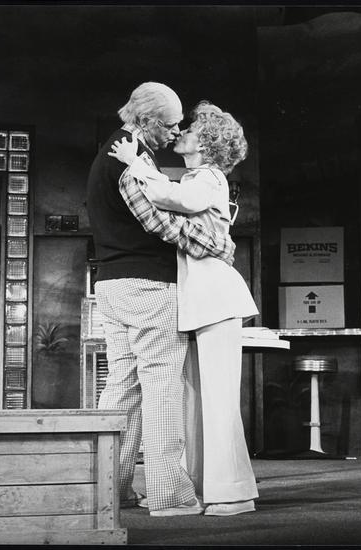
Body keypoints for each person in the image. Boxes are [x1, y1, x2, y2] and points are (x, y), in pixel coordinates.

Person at [86, 83, 237, 517]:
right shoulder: (130, 156)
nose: (175, 132)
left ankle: (108, 490)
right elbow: (159, 223)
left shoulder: (114, 150)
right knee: (162, 389)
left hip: (111, 285)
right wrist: (216, 245)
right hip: (148, 286)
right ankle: (171, 496)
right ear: (148, 121)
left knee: (122, 387)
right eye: (170, 125)